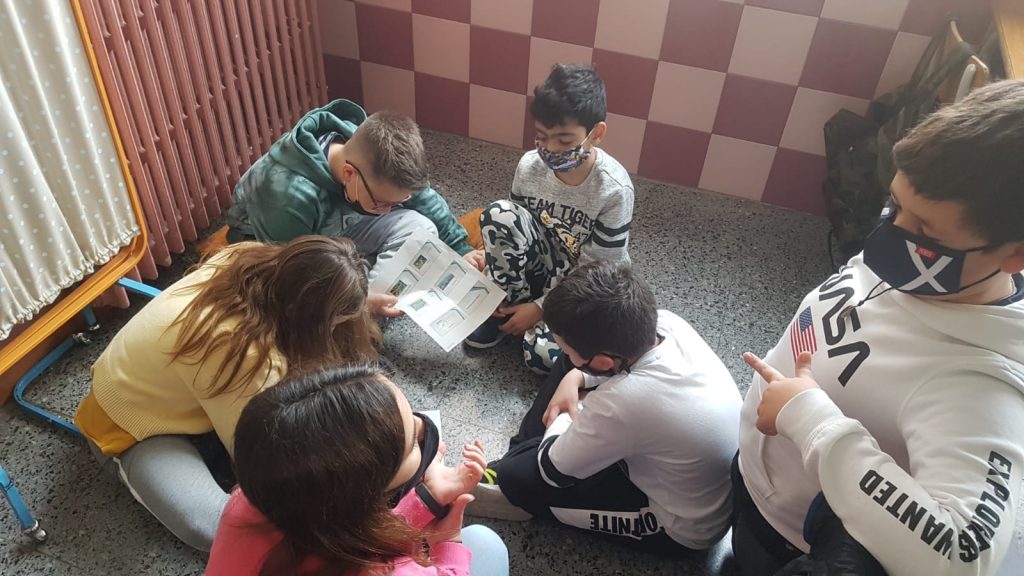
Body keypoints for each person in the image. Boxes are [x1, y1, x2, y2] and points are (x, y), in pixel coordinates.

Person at [733, 80, 1024, 576]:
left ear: (1014, 254)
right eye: (895, 205)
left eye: (924, 231)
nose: (890, 235)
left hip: (787, 535)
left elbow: (962, 555)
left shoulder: (979, 387)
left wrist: (811, 421)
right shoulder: (930, 270)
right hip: (757, 478)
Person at [75, 236, 380, 551]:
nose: (332, 331)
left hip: (161, 389)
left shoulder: (250, 254)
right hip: (129, 429)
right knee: (214, 527)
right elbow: (258, 455)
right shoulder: (244, 355)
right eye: (331, 323)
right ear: (298, 312)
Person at [468, 261, 741, 555]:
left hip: (678, 526)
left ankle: (512, 483)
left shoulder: (622, 404)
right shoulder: (667, 323)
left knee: (514, 475)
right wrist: (577, 376)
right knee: (569, 368)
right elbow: (607, 379)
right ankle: (524, 451)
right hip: (687, 477)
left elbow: (552, 472)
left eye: (567, 349)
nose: (565, 354)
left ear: (603, 362)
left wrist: (579, 403)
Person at [206, 364, 509, 576]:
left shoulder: (249, 501)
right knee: (486, 543)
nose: (427, 434)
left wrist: (427, 499)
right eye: (412, 446)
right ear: (363, 491)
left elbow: (344, 530)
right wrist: (448, 540)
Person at [224, 101, 477, 317]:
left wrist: (460, 249)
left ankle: (362, 301)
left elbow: (423, 198)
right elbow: (291, 273)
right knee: (308, 306)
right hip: (282, 243)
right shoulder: (287, 198)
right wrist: (356, 303)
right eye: (381, 202)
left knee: (422, 227)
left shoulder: (369, 153)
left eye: (395, 203)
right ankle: (357, 310)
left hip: (338, 223)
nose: (388, 211)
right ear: (348, 174)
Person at [464, 64, 634, 374]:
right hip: (541, 265)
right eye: (542, 137)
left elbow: (597, 271)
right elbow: (514, 226)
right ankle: (504, 310)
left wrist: (540, 308)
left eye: (565, 141)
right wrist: (493, 263)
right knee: (499, 213)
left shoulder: (614, 189)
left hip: (586, 286)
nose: (551, 149)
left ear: (596, 134)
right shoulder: (530, 166)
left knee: (543, 358)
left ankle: (529, 318)